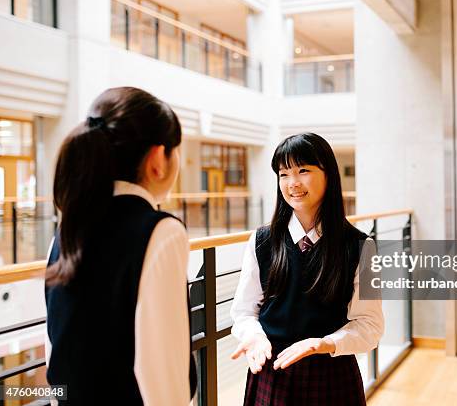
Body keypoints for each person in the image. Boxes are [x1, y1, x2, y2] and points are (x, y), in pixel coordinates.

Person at [44, 87, 196, 405]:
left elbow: (55, 353)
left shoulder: (65, 231)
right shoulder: (161, 232)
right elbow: (162, 375)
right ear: (158, 159)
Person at [230, 133, 384, 405]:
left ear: (329, 175)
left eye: (303, 170)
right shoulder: (262, 240)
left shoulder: (361, 246)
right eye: (284, 174)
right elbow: (244, 311)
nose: (293, 183)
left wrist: (325, 343)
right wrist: (254, 337)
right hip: (272, 370)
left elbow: (370, 326)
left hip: (331, 374)